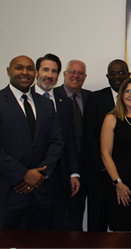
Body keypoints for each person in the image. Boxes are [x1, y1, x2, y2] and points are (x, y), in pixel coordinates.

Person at [0, 55, 63, 232]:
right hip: (5, 194)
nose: (25, 72)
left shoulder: (46, 104)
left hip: (40, 195)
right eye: (19, 68)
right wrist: (23, 174)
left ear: (35, 73)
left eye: (30, 68)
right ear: (9, 71)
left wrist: (40, 176)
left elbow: (56, 142)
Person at [34, 54, 80, 231]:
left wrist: (74, 173)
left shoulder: (64, 102)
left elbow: (69, 140)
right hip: (32, 176)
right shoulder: (25, 99)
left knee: (57, 227)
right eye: (45, 70)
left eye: (54, 71)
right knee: (34, 230)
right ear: (37, 72)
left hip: (59, 177)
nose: (49, 75)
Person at [83, 59, 130, 232]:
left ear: (128, 75)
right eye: (113, 73)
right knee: (97, 226)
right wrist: (105, 168)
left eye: (121, 73)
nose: (117, 77)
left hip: (126, 177)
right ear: (107, 76)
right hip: (99, 175)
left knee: (124, 226)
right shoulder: (95, 98)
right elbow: (89, 136)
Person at [100, 77, 131, 232]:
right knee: (120, 233)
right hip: (119, 183)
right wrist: (118, 183)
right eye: (127, 91)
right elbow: (105, 154)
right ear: (121, 95)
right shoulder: (112, 119)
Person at [55, 59, 91, 231]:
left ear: (85, 77)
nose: (76, 76)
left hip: (83, 169)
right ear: (64, 74)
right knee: (55, 221)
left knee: (75, 221)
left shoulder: (91, 98)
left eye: (80, 73)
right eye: (72, 72)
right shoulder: (51, 97)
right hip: (58, 170)